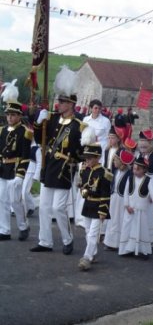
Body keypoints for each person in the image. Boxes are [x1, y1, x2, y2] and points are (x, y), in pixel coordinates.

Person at [30, 93, 93, 254]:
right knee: (44, 207)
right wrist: (38, 123)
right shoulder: (51, 119)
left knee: (58, 208)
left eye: (63, 102)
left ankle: (67, 239)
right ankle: (45, 241)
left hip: (64, 169)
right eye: (59, 101)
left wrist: (75, 159)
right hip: (49, 165)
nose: (59, 104)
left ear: (71, 104)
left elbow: (84, 151)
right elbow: (40, 139)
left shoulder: (79, 126)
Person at [0, 80, 32, 241]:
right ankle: (4, 230)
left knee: (15, 201)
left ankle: (23, 226)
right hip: (3, 168)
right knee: (2, 200)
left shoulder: (24, 132)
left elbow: (26, 155)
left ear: (19, 115)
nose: (10, 117)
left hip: (15, 169)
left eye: (13, 114)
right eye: (8, 114)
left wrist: (20, 175)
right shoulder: (2, 130)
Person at [78, 143, 112, 271]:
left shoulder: (104, 173)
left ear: (97, 158)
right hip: (88, 205)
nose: (87, 160)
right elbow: (83, 186)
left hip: (98, 206)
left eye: (90, 158)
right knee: (87, 232)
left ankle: (86, 258)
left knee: (93, 234)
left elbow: (105, 194)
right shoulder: (85, 171)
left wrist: (103, 210)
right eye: (86, 158)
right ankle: (93, 253)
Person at [118, 157, 153, 259]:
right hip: (130, 210)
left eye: (138, 169)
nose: (135, 171)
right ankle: (126, 249)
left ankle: (142, 251)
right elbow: (126, 193)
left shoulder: (148, 180)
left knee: (142, 231)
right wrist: (126, 205)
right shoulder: (130, 178)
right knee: (128, 229)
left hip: (141, 212)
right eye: (134, 169)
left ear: (144, 169)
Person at [104, 149, 134, 250]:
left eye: (116, 160)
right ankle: (110, 242)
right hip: (114, 199)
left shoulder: (129, 175)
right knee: (112, 220)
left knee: (120, 221)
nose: (114, 162)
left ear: (122, 162)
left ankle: (119, 243)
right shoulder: (115, 171)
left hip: (122, 201)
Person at [138, 129, 153, 241]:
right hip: (141, 186)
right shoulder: (140, 156)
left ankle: (149, 239)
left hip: (151, 186)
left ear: (150, 143)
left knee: (149, 215)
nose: (142, 144)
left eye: (145, 141)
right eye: (141, 141)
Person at [83, 99, 111, 165]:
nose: (97, 110)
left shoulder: (106, 121)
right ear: (91, 108)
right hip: (88, 147)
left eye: (99, 108)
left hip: (101, 149)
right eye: (95, 108)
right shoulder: (86, 120)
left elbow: (108, 136)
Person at [22, 139, 42, 217]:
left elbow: (39, 162)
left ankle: (26, 210)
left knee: (24, 192)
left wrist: (36, 175)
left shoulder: (36, 149)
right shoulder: (24, 146)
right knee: (24, 191)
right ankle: (31, 206)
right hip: (22, 171)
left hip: (31, 171)